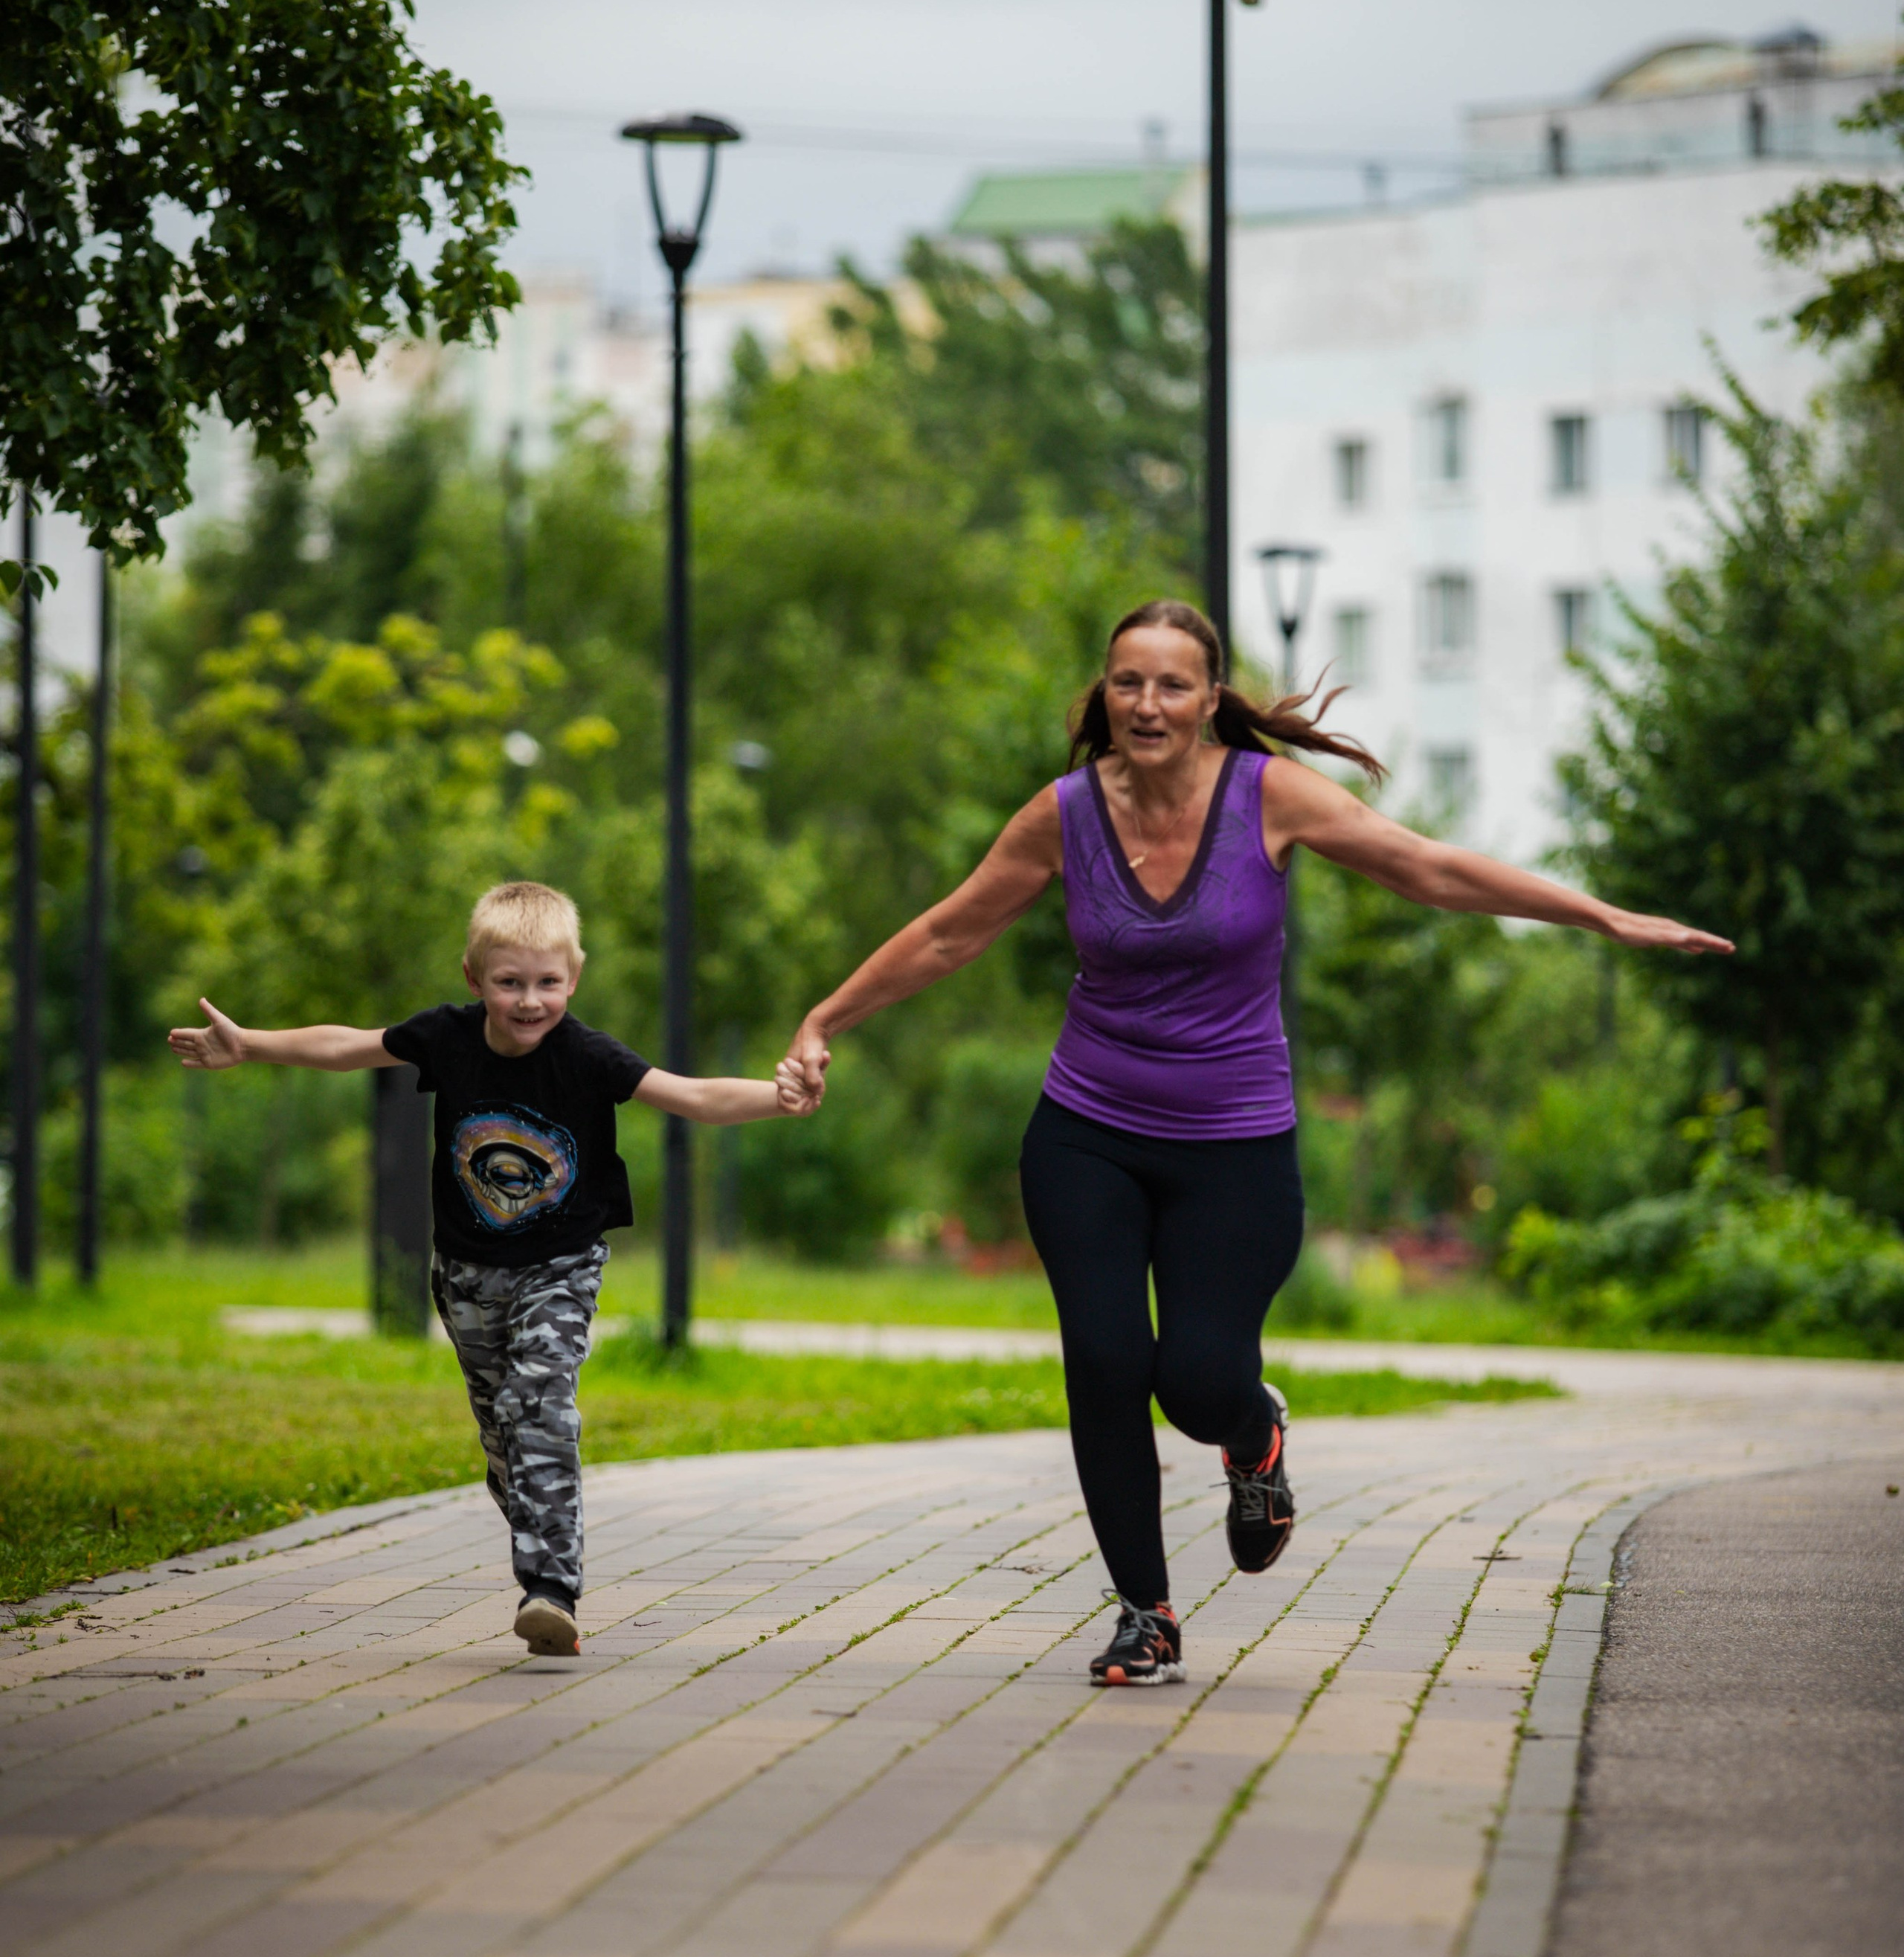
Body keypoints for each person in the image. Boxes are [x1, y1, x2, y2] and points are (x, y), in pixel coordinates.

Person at [785, 599, 1731, 1688]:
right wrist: (824, 1019)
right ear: (1103, 695)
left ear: (1208, 700)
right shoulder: (1063, 815)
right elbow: (950, 931)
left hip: (1233, 1146)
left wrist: (1603, 917)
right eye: (1127, 682)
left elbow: (1425, 867)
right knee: (1103, 1363)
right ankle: (1146, 1614)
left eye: (1171, 684)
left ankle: (1253, 1435)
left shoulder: (1267, 796)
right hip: (1087, 1131)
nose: (1147, 703)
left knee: (1197, 1382)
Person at [169, 879, 817, 1658]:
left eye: (548, 983)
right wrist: (250, 1044)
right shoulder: (445, 1037)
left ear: (574, 978)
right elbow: (349, 1046)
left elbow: (693, 1096)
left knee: (539, 1399)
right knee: (507, 1435)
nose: (530, 1001)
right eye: (510, 982)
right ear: (474, 978)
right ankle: (532, 1506)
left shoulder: (588, 1056)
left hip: (561, 1266)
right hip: (467, 1275)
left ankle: (551, 1590)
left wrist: (777, 1099)